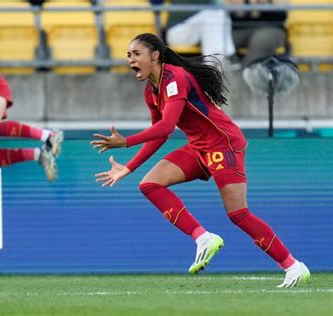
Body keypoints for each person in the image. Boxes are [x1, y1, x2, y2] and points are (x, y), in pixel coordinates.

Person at [91, 33, 310, 287]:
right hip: (199, 147)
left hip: (223, 143)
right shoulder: (151, 92)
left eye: (136, 53)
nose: (130, 59)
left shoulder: (176, 78)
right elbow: (160, 136)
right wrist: (129, 167)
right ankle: (203, 238)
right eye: (128, 55)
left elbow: (166, 126)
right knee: (149, 185)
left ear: (155, 55)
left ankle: (293, 266)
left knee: (238, 214)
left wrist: (126, 141)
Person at [165, 0, 235, 65]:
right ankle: (223, 60)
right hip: (176, 33)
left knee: (220, 14)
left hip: (196, 31)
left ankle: (219, 60)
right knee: (212, 15)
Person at [228, 0, 287, 68]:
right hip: (242, 29)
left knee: (261, 39)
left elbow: (282, 16)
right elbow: (234, 18)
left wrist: (265, 5)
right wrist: (240, 9)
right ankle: (226, 71)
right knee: (221, 39)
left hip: (271, 28)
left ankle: (247, 73)